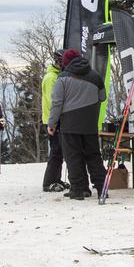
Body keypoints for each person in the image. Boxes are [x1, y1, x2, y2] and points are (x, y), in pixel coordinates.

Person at [49, 48, 107, 201]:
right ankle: (102, 188)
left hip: (69, 124)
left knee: (73, 157)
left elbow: (57, 103)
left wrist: (52, 123)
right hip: (90, 124)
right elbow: (103, 97)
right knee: (94, 156)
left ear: (66, 62)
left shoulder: (62, 78)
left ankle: (78, 190)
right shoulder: (96, 76)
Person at [41, 50, 68, 192]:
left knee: (59, 151)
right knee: (56, 151)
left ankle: (56, 179)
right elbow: (54, 101)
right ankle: (48, 182)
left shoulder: (56, 76)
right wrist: (55, 120)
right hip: (52, 119)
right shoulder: (52, 77)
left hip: (53, 118)